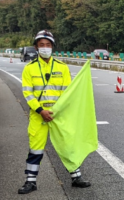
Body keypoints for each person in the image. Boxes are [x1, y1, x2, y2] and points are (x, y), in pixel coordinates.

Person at [18, 30, 91, 194]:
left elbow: (67, 93)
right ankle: (30, 182)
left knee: (67, 146)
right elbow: (28, 93)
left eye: (48, 45)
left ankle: (76, 177)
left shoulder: (62, 67)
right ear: (36, 47)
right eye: (41, 45)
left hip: (59, 115)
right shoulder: (29, 69)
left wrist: (58, 111)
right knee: (35, 149)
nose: (45, 47)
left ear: (53, 47)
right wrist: (40, 110)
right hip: (38, 115)